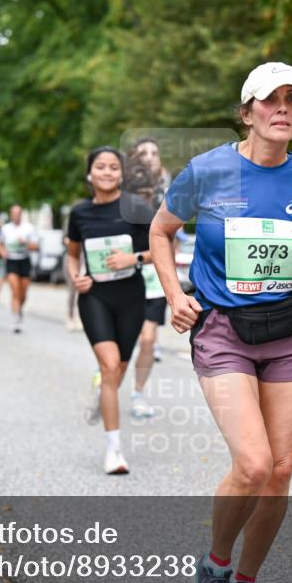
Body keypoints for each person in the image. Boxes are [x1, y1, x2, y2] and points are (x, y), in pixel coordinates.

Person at [150, 62, 292, 583]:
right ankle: (214, 566)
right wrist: (172, 293)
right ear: (247, 111)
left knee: (280, 472)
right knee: (253, 463)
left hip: (288, 333)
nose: (283, 109)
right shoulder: (207, 170)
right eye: (270, 100)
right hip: (223, 331)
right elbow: (161, 231)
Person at [66, 146, 155, 475]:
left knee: (117, 370)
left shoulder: (136, 207)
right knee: (107, 367)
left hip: (131, 296)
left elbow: (162, 250)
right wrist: (76, 276)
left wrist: (133, 259)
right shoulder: (79, 213)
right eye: (100, 167)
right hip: (96, 298)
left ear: (121, 173)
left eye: (113, 167)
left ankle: (104, 395)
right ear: (90, 173)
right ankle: (114, 451)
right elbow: (73, 253)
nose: (107, 172)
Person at [126, 137, 172, 418]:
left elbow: (172, 233)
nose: (149, 157)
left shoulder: (169, 194)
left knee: (147, 338)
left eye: (154, 152)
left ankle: (138, 393)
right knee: (122, 338)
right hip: (123, 271)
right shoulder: (121, 190)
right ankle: (106, 372)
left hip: (154, 272)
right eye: (143, 153)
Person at [1, 204, 39, 334]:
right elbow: (0, 245)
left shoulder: (29, 228)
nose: (16, 216)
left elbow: (36, 246)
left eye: (18, 213)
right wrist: (3, 252)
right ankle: (16, 319)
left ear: (21, 214)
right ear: (11, 215)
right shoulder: (5, 229)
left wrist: (26, 243)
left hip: (25, 260)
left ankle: (19, 309)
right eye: (13, 213)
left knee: (23, 294)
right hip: (11, 261)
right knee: (15, 291)